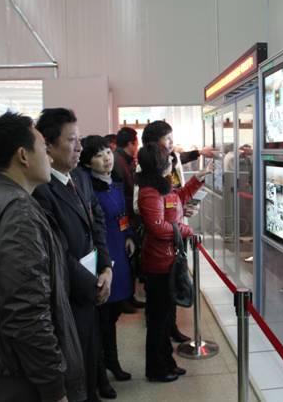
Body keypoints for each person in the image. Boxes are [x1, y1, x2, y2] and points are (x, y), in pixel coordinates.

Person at [0, 111, 86, 402]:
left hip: (0, 371)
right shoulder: (18, 212)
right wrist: (54, 387)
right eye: (43, 147)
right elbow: (26, 313)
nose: (49, 156)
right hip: (21, 381)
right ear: (23, 155)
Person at [34, 108, 113, 402]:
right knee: (75, 366)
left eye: (79, 140)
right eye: (71, 140)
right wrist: (93, 286)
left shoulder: (79, 177)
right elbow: (58, 251)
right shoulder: (41, 190)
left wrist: (106, 267)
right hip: (71, 293)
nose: (80, 147)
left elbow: (97, 222)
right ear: (48, 146)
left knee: (91, 356)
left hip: (93, 284)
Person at [136, 142, 212, 382]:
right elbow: (157, 227)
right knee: (159, 320)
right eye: (168, 157)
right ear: (160, 163)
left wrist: (198, 178)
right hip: (159, 263)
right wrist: (185, 230)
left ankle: (167, 362)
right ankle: (156, 369)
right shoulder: (149, 192)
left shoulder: (162, 186)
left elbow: (178, 198)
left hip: (169, 260)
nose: (172, 160)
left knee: (167, 317)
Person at [79, 135, 134, 387]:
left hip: (119, 251)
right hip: (103, 255)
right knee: (101, 317)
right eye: (99, 155)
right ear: (87, 162)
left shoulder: (115, 183)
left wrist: (129, 235)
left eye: (108, 153)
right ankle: (100, 373)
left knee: (112, 314)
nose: (106, 159)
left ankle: (112, 361)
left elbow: (124, 214)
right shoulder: (87, 187)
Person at [113, 126, 145, 313]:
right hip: (124, 217)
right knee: (125, 259)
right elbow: (125, 192)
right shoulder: (118, 162)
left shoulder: (125, 160)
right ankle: (123, 299)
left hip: (128, 216)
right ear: (131, 143)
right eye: (136, 143)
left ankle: (129, 296)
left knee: (130, 260)